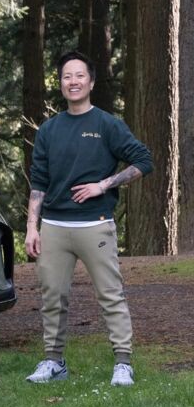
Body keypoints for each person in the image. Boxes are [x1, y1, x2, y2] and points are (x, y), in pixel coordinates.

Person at [24, 51, 153, 387]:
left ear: (91, 82)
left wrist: (104, 184)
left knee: (111, 295)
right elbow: (38, 181)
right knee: (52, 296)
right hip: (54, 227)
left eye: (80, 75)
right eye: (67, 76)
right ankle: (54, 361)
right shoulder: (49, 130)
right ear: (61, 83)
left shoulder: (107, 125)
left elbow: (143, 161)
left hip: (95, 224)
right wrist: (31, 228)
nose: (73, 82)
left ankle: (123, 363)